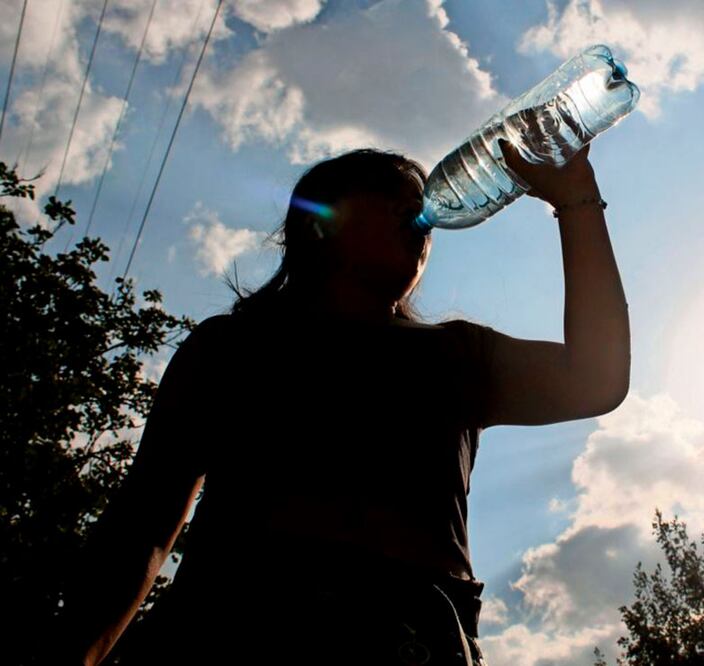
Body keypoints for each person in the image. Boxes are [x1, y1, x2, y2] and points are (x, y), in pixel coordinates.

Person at [49, 137, 630, 665]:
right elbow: (145, 520)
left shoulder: (456, 356)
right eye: (391, 201)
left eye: (420, 210)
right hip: (232, 630)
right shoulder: (234, 347)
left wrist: (577, 198)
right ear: (323, 224)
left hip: (414, 638)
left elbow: (597, 378)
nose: (419, 220)